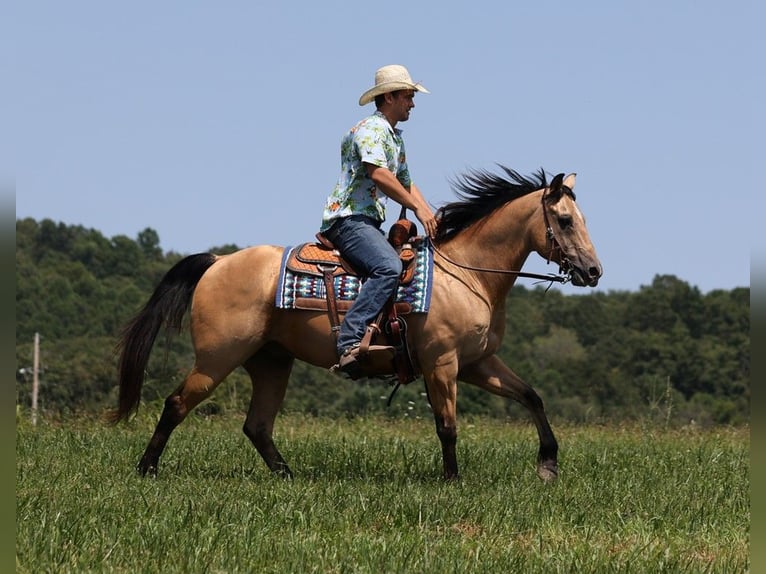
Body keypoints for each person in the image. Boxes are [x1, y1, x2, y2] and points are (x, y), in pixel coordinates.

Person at [319, 64, 438, 375]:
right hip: (349, 220)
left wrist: (428, 213)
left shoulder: (394, 137)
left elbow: (407, 181)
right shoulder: (371, 130)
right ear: (389, 97)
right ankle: (349, 341)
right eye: (408, 96)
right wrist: (418, 210)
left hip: (367, 223)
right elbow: (380, 174)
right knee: (388, 266)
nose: (412, 103)